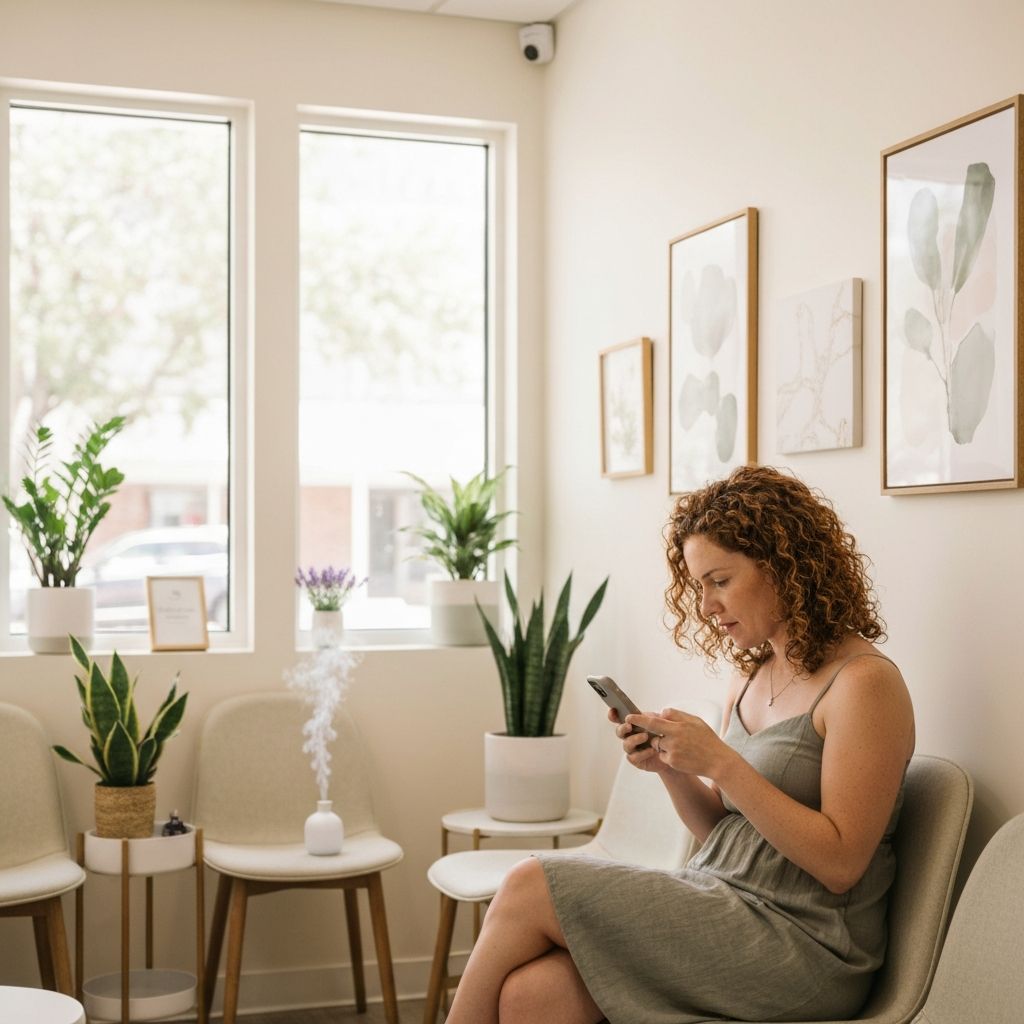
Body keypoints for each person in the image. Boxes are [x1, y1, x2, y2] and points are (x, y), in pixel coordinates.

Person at [444, 465, 915, 1024]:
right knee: (535, 994)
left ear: (784, 567)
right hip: (723, 899)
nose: (708, 607)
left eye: (720, 580)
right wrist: (671, 768)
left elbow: (841, 863)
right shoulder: (752, 674)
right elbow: (726, 834)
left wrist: (720, 759)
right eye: (699, 587)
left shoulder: (865, 684)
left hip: (807, 945)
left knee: (529, 881)